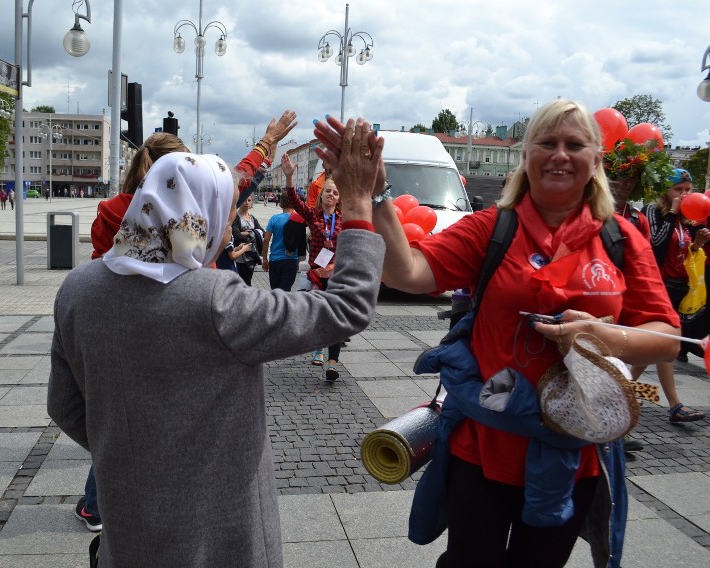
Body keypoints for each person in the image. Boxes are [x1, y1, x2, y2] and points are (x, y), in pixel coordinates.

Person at [315, 101, 680, 567]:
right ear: (527, 157)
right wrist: (378, 194)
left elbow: (667, 336)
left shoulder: (621, 238)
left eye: (575, 144)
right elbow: (407, 271)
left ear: (596, 160)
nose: (560, 155)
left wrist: (606, 339)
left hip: (574, 453)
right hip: (483, 448)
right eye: (547, 143)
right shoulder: (493, 228)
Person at [47, 119, 386, 567]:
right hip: (220, 535)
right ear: (197, 219)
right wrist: (361, 202)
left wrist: (136, 453)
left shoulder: (78, 290)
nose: (227, 234)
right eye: (226, 219)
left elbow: (65, 406)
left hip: (129, 530)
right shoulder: (214, 302)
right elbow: (347, 309)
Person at [90, 111, 297, 260]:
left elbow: (100, 267)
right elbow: (234, 180)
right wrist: (266, 142)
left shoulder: (111, 212)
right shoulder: (189, 209)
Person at [632, 169, 707, 422]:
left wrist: (696, 245)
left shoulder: (688, 220)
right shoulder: (653, 211)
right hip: (656, 287)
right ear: (666, 191)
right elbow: (656, 247)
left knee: (666, 346)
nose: (684, 194)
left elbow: (682, 256)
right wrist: (674, 211)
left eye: (688, 189)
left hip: (676, 288)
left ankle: (627, 389)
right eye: (678, 189)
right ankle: (666, 401)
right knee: (664, 344)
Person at [286, 157, 345, 381]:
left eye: (335, 193)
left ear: (339, 199)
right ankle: (318, 348)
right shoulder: (313, 216)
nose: (331, 194)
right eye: (328, 191)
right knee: (319, 316)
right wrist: (290, 176)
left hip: (336, 275)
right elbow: (295, 200)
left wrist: (334, 265)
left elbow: (348, 247)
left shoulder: (343, 219)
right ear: (322, 195)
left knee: (336, 318)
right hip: (317, 275)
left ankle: (332, 365)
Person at [261, 192, 300, 291]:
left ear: (280, 204)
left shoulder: (274, 219)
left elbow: (266, 240)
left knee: (275, 292)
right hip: (292, 260)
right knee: (286, 292)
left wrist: (265, 258)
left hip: (275, 260)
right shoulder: (300, 219)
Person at [232, 194, 263, 285]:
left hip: (251, 257)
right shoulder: (236, 217)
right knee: (243, 284)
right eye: (245, 200)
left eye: (249, 200)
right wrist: (253, 235)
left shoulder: (252, 219)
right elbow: (236, 235)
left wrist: (248, 233)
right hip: (239, 257)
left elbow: (262, 233)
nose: (247, 203)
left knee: (247, 282)